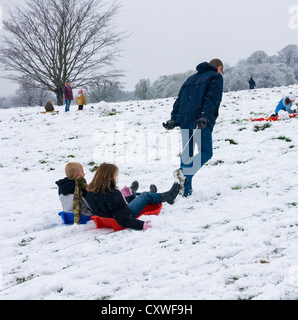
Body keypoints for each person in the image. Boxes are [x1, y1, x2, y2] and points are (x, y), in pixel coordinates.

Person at [163, 59, 224, 197]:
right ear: (219, 68)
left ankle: (185, 190)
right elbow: (212, 99)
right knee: (206, 152)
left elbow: (179, 99)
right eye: (222, 71)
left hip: (184, 120)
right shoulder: (216, 77)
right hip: (199, 120)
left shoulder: (190, 78)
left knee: (187, 155)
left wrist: (174, 118)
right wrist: (205, 116)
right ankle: (184, 174)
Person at [85, 163, 180, 231]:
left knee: (132, 194)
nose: (116, 178)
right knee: (144, 196)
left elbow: (107, 202)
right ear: (109, 177)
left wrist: (121, 195)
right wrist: (141, 225)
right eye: (115, 176)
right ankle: (168, 196)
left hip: (107, 213)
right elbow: (123, 219)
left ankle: (151, 194)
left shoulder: (90, 190)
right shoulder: (113, 194)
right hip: (125, 213)